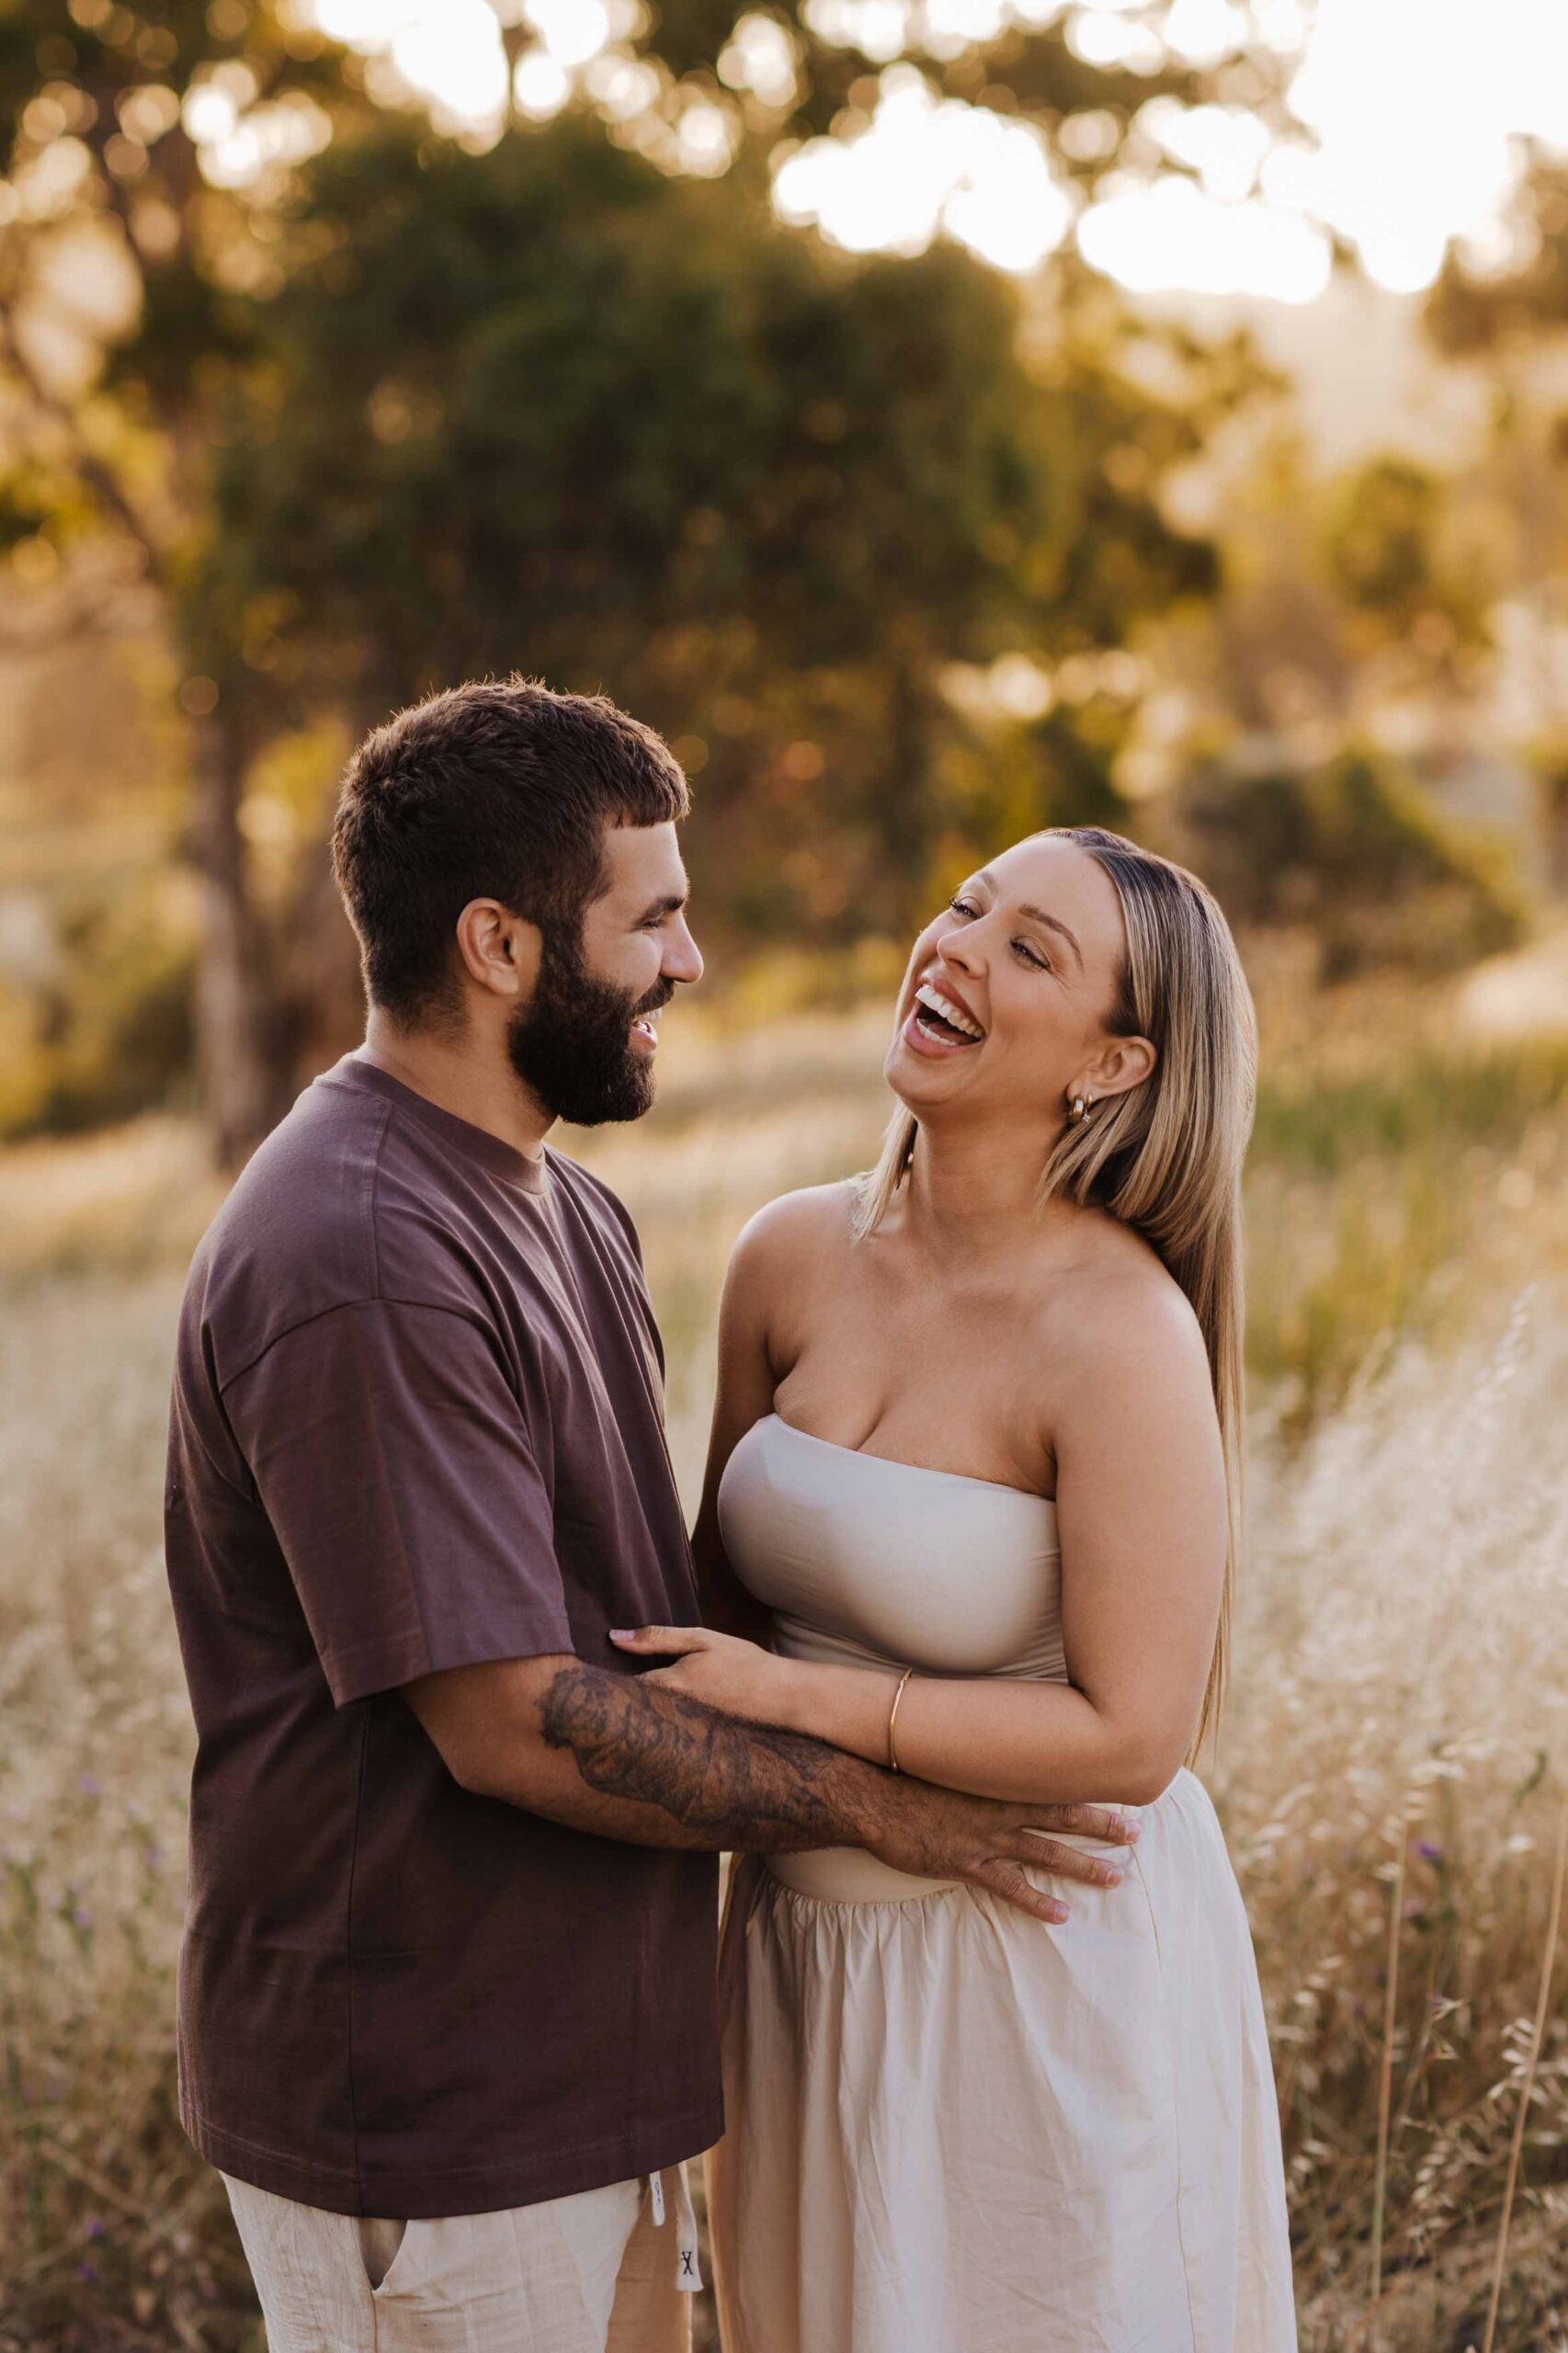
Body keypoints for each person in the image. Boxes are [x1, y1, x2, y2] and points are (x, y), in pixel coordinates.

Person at [162, 681, 1134, 2353]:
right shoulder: (365, 1251)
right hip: (430, 2109)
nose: (689, 960)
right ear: (499, 946)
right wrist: (892, 1812)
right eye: (652, 919)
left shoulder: (564, 1207)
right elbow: (510, 1723)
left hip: (596, 2078)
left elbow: (653, 1631)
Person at [611, 826, 1299, 2352]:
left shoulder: (1116, 1331)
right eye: (966, 905)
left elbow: (1134, 1736)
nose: (956, 949)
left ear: (1112, 1066)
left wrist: (799, 1701)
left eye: (1028, 950)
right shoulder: (787, 1253)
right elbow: (713, 1615)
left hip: (1035, 1964)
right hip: (797, 1953)